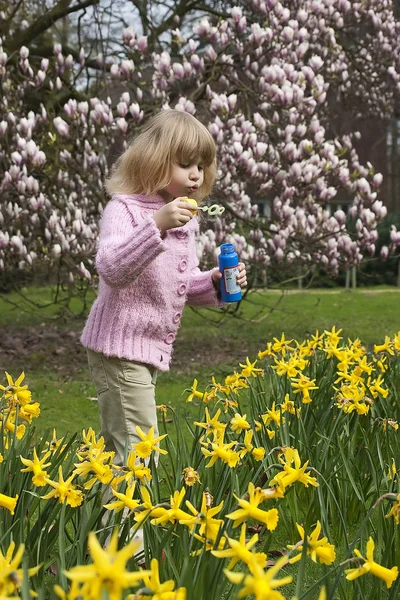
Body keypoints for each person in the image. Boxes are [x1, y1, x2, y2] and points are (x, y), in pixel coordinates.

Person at [81, 109, 247, 468]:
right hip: (119, 349)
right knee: (139, 454)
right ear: (155, 161)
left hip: (142, 352)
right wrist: (155, 225)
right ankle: (130, 525)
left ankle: (96, 521)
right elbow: (112, 269)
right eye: (185, 164)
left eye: (201, 166)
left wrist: (215, 283)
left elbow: (176, 286)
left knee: (123, 450)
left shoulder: (183, 217)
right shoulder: (124, 209)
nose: (195, 174)